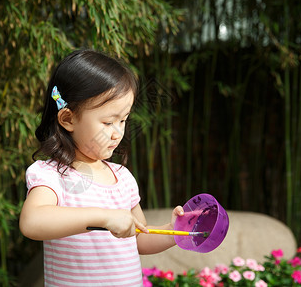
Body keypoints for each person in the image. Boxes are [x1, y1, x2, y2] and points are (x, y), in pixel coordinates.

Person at [19, 49, 184, 286]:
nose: (118, 132)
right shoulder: (51, 175)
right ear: (68, 119)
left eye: (123, 120)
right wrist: (105, 217)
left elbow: (138, 238)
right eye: (107, 122)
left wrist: (173, 232)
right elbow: (32, 221)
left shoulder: (122, 178)